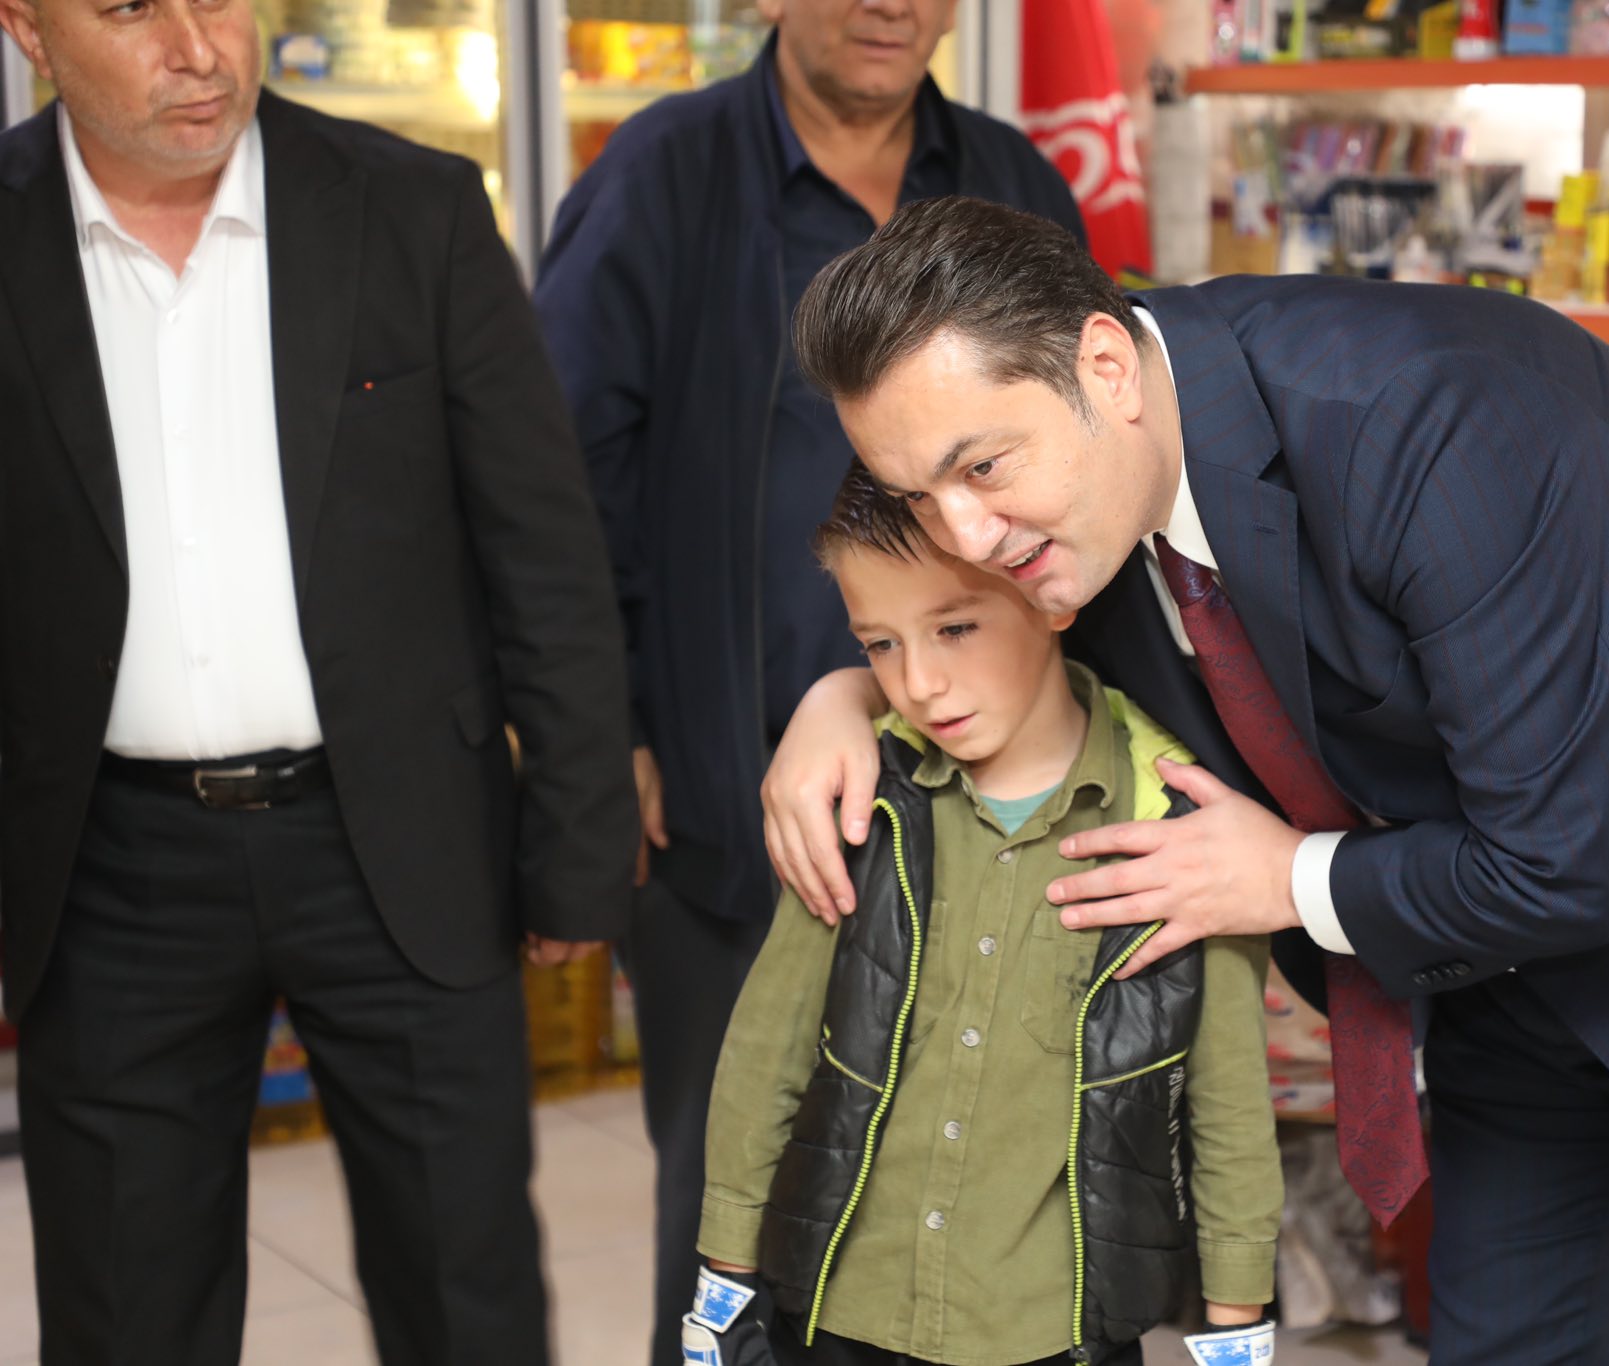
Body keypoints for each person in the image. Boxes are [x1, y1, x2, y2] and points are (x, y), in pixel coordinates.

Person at [760, 196, 1609, 1366]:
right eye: (917, 493)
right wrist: (843, 696)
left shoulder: (1431, 415)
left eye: (982, 469)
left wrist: (1286, 878)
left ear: (1105, 365)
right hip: (1502, 966)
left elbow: (1562, 858)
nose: (964, 537)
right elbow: (936, 617)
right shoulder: (1066, 494)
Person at [0, 1, 637, 1361]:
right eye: (131, 7)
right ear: (29, 31)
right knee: (123, 1311)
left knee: (465, 1295)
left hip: (399, 839)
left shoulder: (411, 208)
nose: (197, 46)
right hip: (106, 872)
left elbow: (543, 550)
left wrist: (577, 848)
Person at [531, 5, 1082, 1358]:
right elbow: (554, 479)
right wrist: (612, 733)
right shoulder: (661, 174)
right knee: (738, 1212)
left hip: (987, 814)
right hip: (731, 812)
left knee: (972, 1203)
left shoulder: (1012, 177)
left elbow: (1090, 464)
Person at [680, 466, 1281, 1366]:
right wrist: (723, 1288)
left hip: (1059, 1330)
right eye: (880, 645)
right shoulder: (861, 799)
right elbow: (769, 1047)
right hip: (844, 1313)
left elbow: (1227, 1102)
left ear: (1049, 593)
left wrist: (1237, 1329)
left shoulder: (1183, 830)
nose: (919, 683)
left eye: (956, 628)